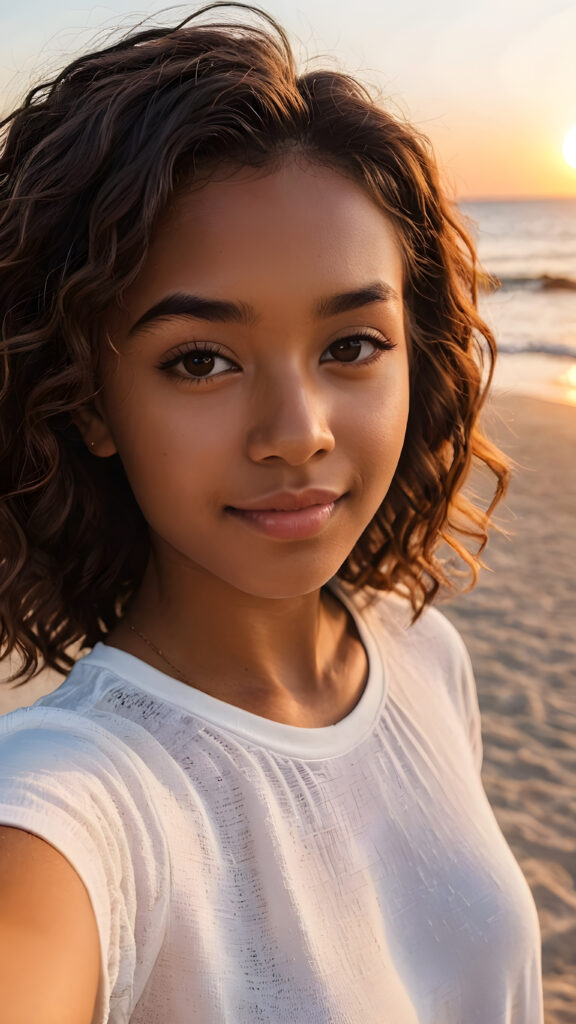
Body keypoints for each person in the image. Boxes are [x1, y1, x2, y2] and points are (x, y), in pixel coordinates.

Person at [0, 4, 544, 1022]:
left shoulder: (423, 654)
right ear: (91, 401)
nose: (297, 432)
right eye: (200, 360)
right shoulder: (74, 803)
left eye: (350, 346)